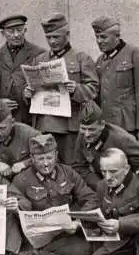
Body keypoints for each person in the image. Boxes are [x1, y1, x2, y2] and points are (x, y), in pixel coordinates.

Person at [24, 13, 99, 165]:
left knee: (70, 167)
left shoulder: (81, 58)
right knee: (46, 166)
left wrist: (76, 89)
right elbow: (32, 89)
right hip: (44, 124)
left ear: (67, 35)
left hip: (69, 127)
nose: (52, 41)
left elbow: (93, 89)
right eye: (49, 37)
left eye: (56, 37)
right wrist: (27, 93)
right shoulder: (40, 60)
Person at [11, 134, 99, 255]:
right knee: (85, 251)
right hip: (43, 239)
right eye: (41, 159)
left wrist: (78, 222)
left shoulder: (68, 172)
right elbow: (20, 212)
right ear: (32, 158)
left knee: (97, 246)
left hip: (69, 231)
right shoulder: (21, 180)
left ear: (56, 155)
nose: (46, 164)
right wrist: (16, 208)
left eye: (49, 158)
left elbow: (91, 198)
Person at [91, 16, 139, 145]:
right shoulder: (100, 61)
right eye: (97, 37)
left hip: (129, 126)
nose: (99, 41)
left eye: (103, 37)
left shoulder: (135, 54)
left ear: (116, 36)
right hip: (108, 127)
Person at [71, 101, 139, 194]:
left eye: (92, 129)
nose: (87, 134)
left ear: (102, 124)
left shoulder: (122, 139)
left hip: (132, 187)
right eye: (83, 128)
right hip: (107, 185)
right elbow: (79, 166)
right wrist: (100, 185)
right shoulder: (83, 135)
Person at [0, 14, 46, 124]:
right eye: (11, 31)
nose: (16, 35)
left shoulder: (39, 53)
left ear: (25, 30)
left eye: (19, 30)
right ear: (3, 33)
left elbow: (45, 84)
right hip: (4, 115)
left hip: (30, 114)